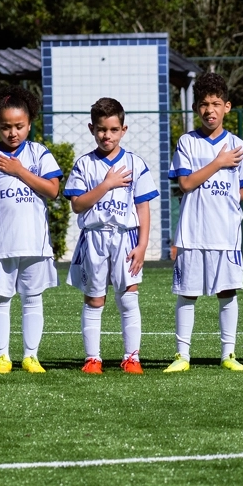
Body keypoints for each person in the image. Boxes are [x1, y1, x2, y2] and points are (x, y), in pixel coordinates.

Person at [0, 86, 63, 374]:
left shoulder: (38, 154)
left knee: (32, 299)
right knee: (0, 298)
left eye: (19, 126)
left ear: (30, 124)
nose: (12, 133)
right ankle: (2, 356)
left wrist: (19, 171)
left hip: (34, 244)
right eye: (5, 127)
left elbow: (53, 190)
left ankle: (31, 356)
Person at [166, 73, 243, 372]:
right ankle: (183, 355)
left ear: (227, 106)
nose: (210, 110)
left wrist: (230, 195)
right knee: (187, 292)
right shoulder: (187, 143)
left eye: (216, 104)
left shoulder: (238, 145)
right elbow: (186, 183)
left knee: (227, 292)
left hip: (226, 233)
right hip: (192, 233)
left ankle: (228, 355)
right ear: (196, 108)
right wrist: (218, 163)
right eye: (204, 104)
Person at [64, 97, 158, 374]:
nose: (107, 135)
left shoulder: (134, 163)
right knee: (95, 299)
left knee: (129, 297)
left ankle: (132, 357)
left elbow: (143, 207)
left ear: (123, 130)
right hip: (93, 238)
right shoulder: (84, 165)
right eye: (102, 129)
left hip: (125, 237)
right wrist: (107, 184)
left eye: (113, 129)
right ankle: (93, 359)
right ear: (92, 128)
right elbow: (77, 204)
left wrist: (142, 245)